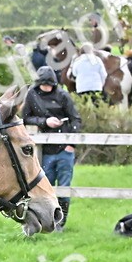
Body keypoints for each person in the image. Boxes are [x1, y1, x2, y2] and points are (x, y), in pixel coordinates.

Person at [22, 66, 81, 231]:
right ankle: (46, 221)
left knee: (64, 187)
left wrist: (71, 144)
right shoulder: (32, 95)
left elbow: (75, 119)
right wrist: (44, 122)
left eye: (50, 85)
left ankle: (60, 223)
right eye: (44, 85)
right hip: (44, 150)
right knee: (44, 188)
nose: (47, 88)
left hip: (64, 148)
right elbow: (25, 118)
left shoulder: (63, 95)